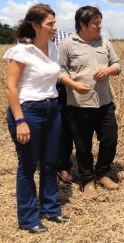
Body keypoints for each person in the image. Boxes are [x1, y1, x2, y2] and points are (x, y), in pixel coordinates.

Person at [4, 4, 70, 234]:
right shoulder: (21, 51)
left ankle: (51, 209)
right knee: (29, 165)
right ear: (34, 25)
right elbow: (11, 88)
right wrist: (20, 120)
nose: (54, 27)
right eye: (49, 24)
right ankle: (28, 217)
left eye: (54, 23)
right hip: (28, 111)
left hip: (52, 109)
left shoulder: (52, 47)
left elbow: (56, 77)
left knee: (50, 162)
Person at [58, 6, 122, 197]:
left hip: (104, 102)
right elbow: (60, 72)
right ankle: (87, 181)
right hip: (78, 104)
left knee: (110, 139)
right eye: (95, 23)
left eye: (100, 22)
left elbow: (117, 65)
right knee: (83, 146)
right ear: (82, 24)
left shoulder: (105, 43)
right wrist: (74, 85)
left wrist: (109, 70)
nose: (99, 26)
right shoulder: (67, 45)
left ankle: (102, 173)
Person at [54, 31, 75, 183]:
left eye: (53, 22)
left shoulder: (68, 37)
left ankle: (63, 167)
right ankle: (50, 169)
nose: (53, 27)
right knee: (47, 128)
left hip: (64, 88)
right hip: (41, 90)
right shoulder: (30, 40)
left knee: (65, 128)